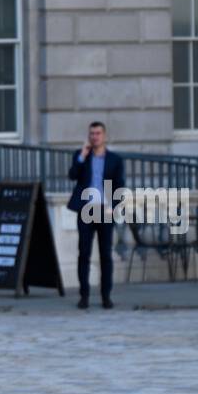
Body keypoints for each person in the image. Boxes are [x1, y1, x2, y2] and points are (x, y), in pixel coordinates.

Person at [66, 121, 125, 309]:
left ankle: (106, 296)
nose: (94, 137)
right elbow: (72, 175)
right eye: (92, 133)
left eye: (98, 133)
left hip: (105, 209)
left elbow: (119, 186)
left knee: (105, 255)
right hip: (86, 209)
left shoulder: (115, 160)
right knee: (84, 253)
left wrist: (113, 207)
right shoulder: (81, 156)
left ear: (104, 136)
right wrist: (82, 156)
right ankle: (84, 295)